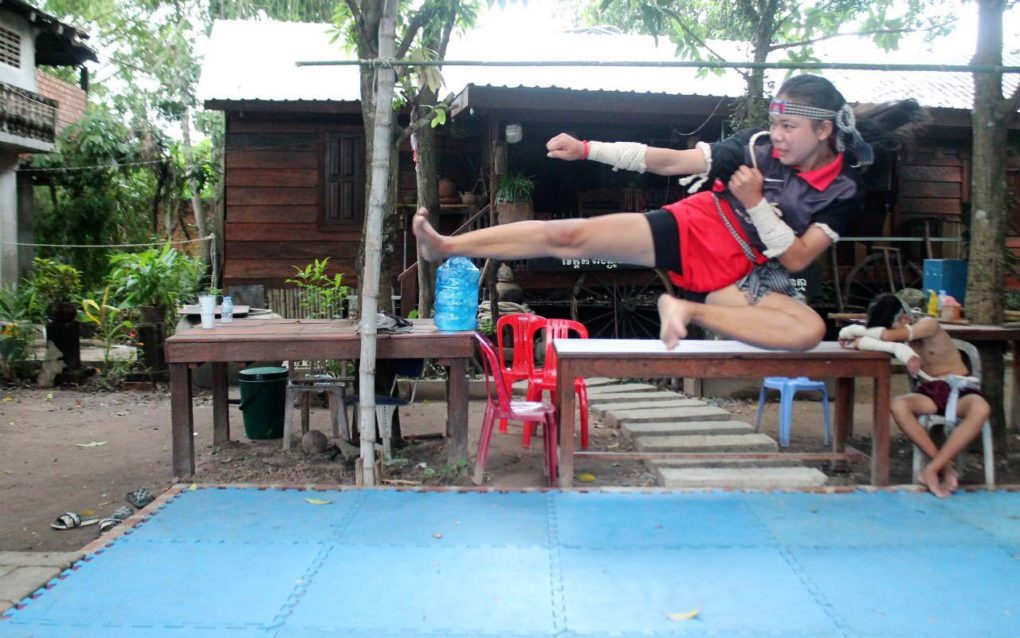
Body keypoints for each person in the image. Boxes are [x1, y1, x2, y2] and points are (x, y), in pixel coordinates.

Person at [414, 75, 926, 350]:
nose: (779, 135)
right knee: (569, 236)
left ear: (823, 130)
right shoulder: (755, 145)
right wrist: (589, 148)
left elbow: (795, 261)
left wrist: (756, 207)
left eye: (790, 126)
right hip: (696, 226)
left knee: (808, 331)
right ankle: (449, 245)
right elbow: (670, 162)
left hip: (742, 274)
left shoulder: (844, 188)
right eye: (775, 123)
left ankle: (685, 310)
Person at [838, 293, 990, 498]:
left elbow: (885, 337)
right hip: (930, 392)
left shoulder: (928, 324)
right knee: (899, 405)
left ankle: (931, 469)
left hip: (959, 388)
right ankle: (943, 466)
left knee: (981, 408)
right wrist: (856, 338)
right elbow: (861, 342)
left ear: (905, 319)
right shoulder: (895, 338)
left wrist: (856, 331)